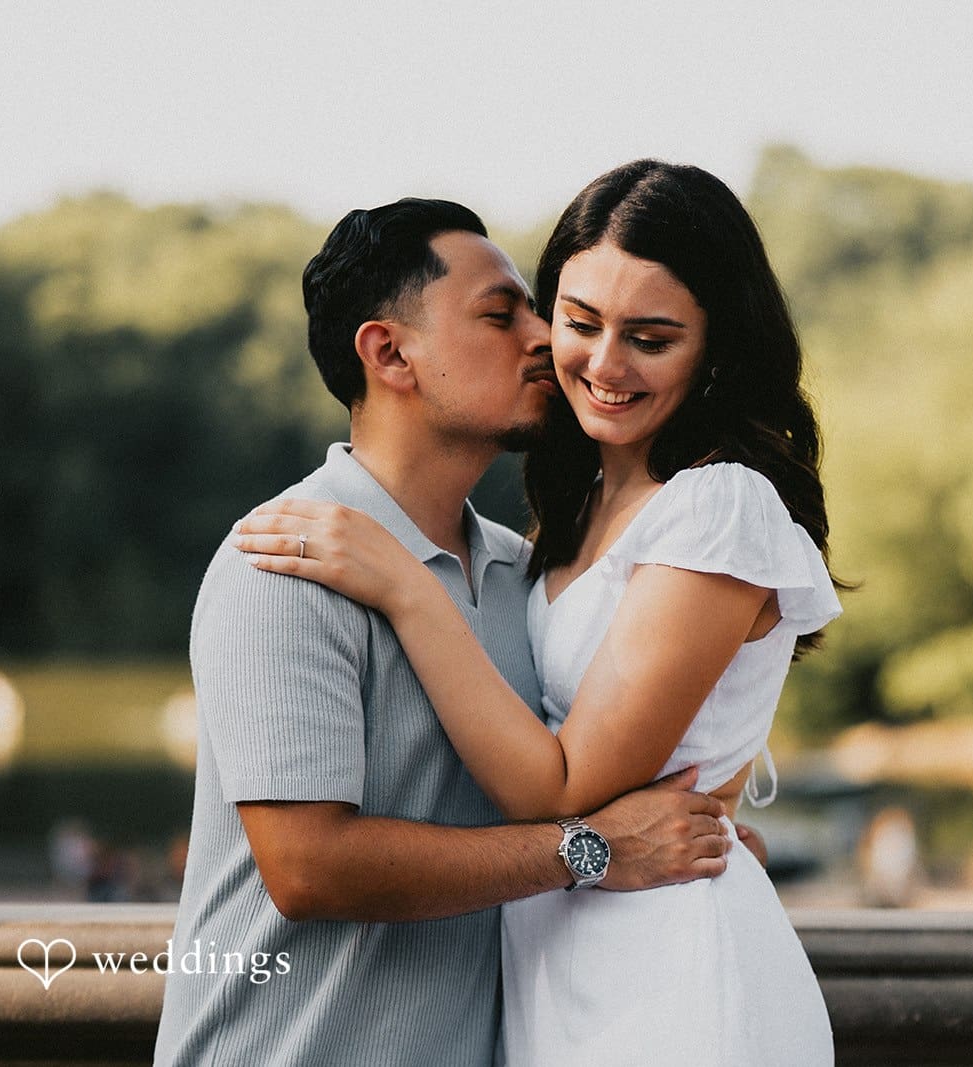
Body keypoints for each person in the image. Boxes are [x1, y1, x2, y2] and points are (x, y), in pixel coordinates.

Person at [236, 160, 844, 1064]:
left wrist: (406, 585)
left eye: (651, 337)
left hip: (666, 967)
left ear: (716, 346)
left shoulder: (719, 506)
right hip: (558, 965)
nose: (602, 364)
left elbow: (560, 787)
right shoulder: (572, 513)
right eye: (579, 320)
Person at [153, 197, 739, 1067]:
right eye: (502, 314)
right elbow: (308, 867)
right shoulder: (282, 560)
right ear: (389, 352)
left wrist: (717, 821)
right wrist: (590, 851)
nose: (546, 337)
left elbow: (589, 773)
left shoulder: (525, 576)